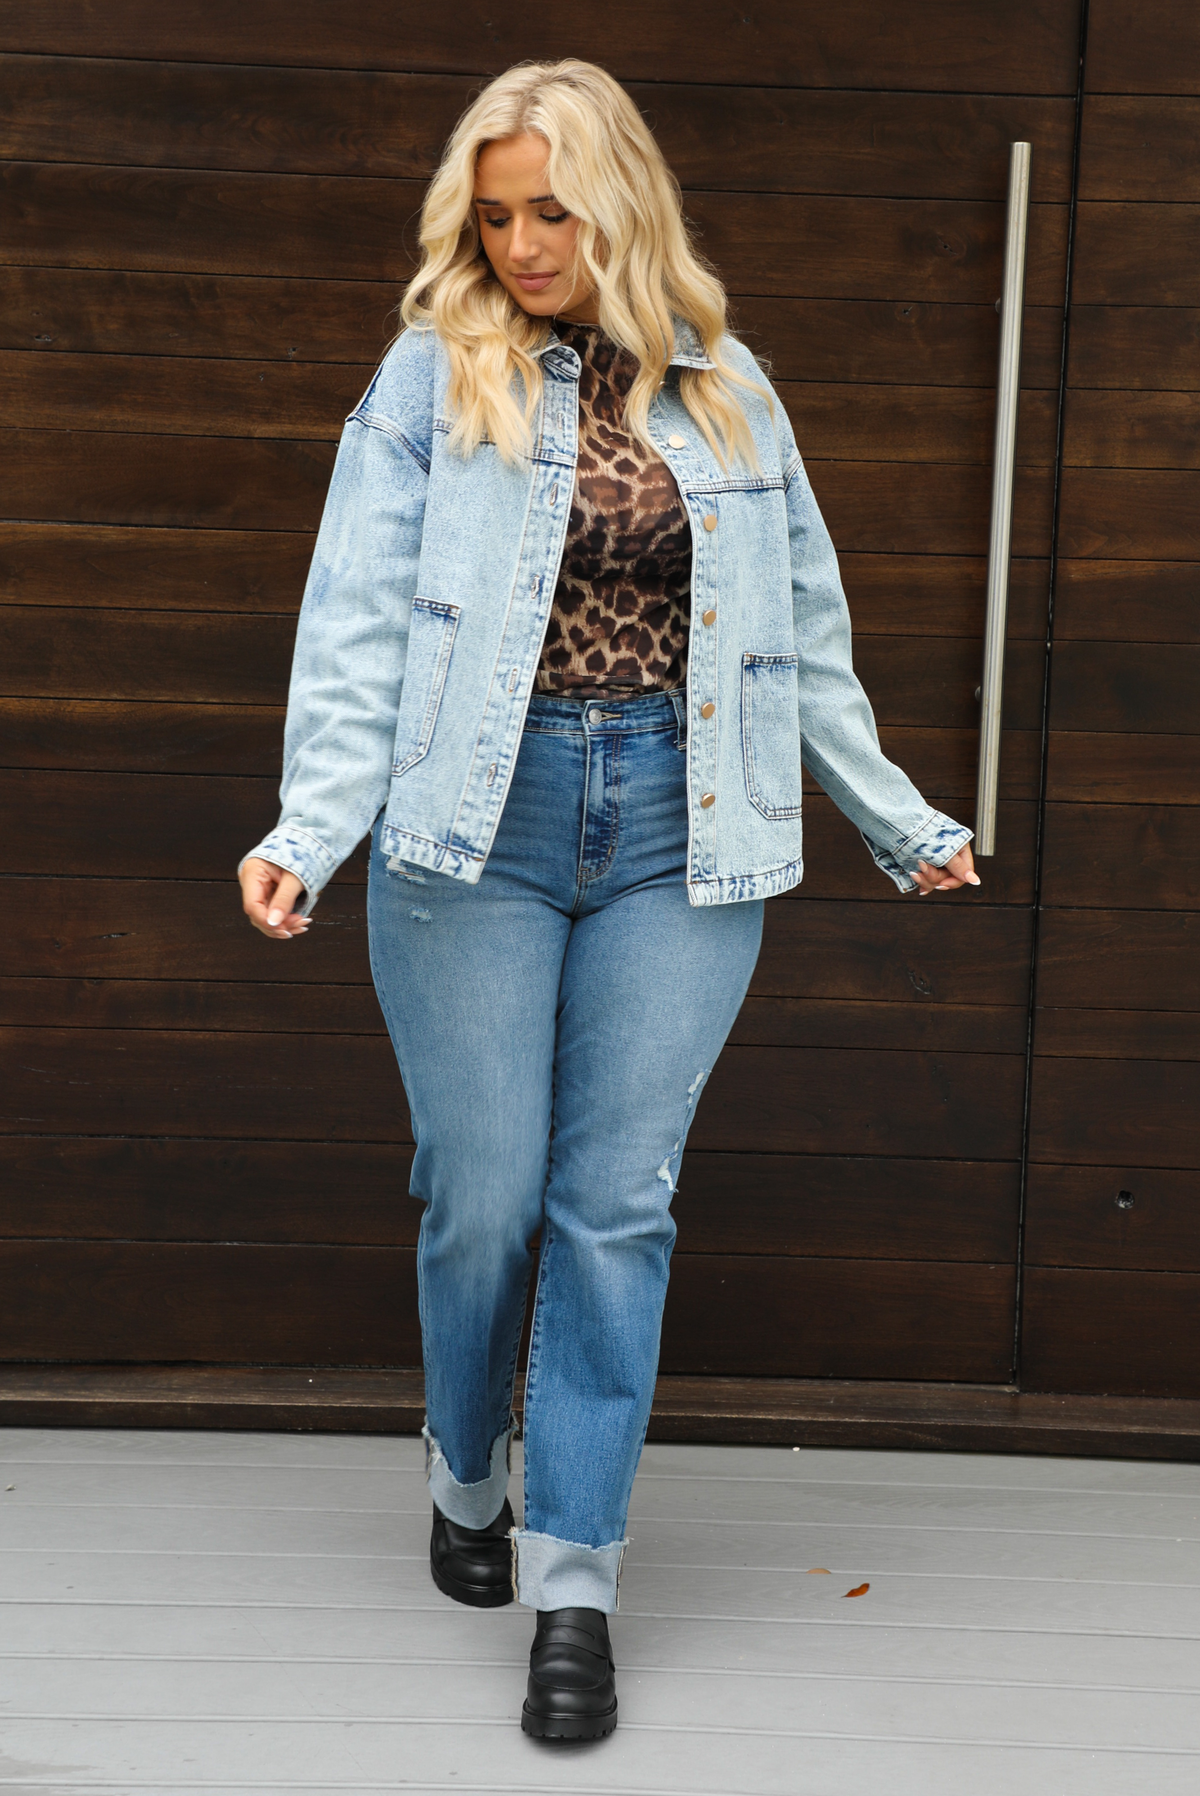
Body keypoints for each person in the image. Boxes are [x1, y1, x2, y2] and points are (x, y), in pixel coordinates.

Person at [238, 58, 980, 1742]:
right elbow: (355, 619)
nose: (519, 243)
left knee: (614, 1203)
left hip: (677, 824)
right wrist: (310, 824)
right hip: (466, 828)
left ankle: (577, 1585)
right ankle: (466, 1460)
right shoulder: (435, 376)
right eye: (494, 214)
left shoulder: (730, 394)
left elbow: (801, 632)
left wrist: (894, 814)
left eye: (550, 209)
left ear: (618, 199)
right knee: (484, 1195)